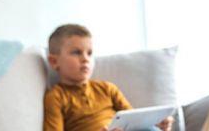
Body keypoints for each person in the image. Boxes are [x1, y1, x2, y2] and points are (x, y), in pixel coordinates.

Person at [43, 24, 174, 131]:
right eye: (76, 52)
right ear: (54, 61)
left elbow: (134, 119)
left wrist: (157, 124)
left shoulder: (106, 88)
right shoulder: (56, 97)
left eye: (89, 53)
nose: (85, 59)